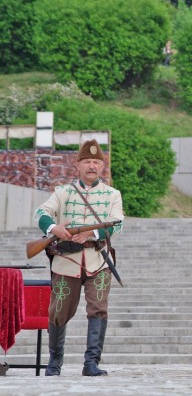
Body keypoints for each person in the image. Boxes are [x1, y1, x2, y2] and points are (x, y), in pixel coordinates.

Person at [34, 139, 124, 377]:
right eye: (87, 162)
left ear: (102, 166)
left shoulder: (112, 194)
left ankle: (91, 363)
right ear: (78, 164)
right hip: (66, 261)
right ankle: (54, 363)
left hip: (99, 261)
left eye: (96, 162)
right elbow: (41, 212)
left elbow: (117, 223)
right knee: (59, 310)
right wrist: (54, 228)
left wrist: (93, 233)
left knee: (98, 310)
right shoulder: (62, 192)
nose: (92, 166)